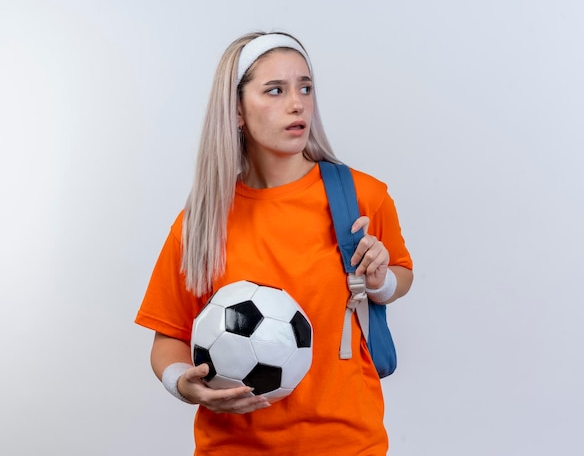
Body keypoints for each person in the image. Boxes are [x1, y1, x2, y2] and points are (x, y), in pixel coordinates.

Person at [135, 31, 413, 455]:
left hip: (347, 443)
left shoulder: (361, 197)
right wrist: (184, 385)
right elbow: (168, 335)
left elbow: (401, 275)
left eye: (305, 87)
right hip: (232, 447)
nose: (297, 102)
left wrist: (379, 281)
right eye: (275, 90)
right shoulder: (202, 222)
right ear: (238, 111)